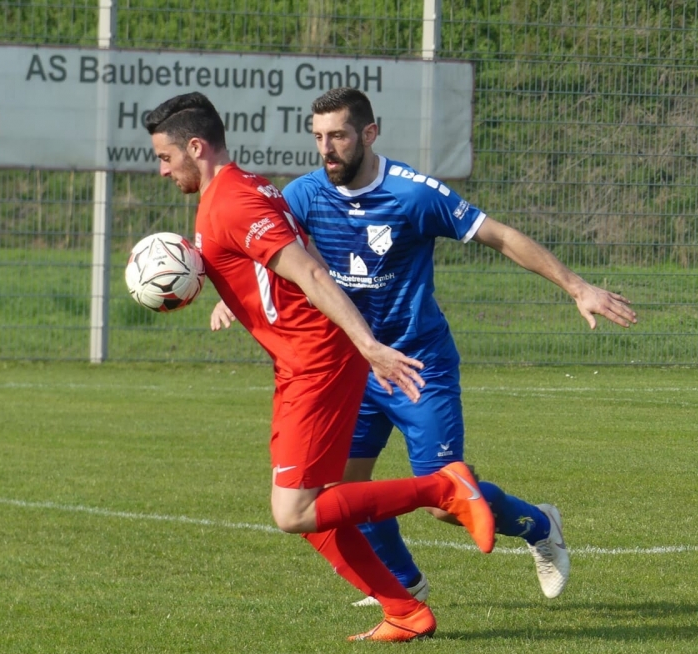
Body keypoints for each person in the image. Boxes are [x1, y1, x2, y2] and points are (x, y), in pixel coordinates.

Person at [213, 87, 637, 604]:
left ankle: (539, 525)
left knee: (441, 503)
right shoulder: (303, 195)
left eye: (339, 136)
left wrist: (578, 287)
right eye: (318, 137)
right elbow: (273, 253)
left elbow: (498, 236)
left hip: (418, 365)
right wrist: (236, 299)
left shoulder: (413, 194)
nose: (327, 149)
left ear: (369, 134)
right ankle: (405, 584)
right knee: (341, 494)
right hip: (353, 368)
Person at [144, 91, 498, 643]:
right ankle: (404, 611)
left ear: (195, 146)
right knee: (316, 501)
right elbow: (271, 266)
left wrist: (369, 345)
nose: (162, 169)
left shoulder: (232, 201)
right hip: (298, 364)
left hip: (319, 361)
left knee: (293, 511)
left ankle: (445, 490)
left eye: (166, 157)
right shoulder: (236, 191)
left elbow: (310, 273)